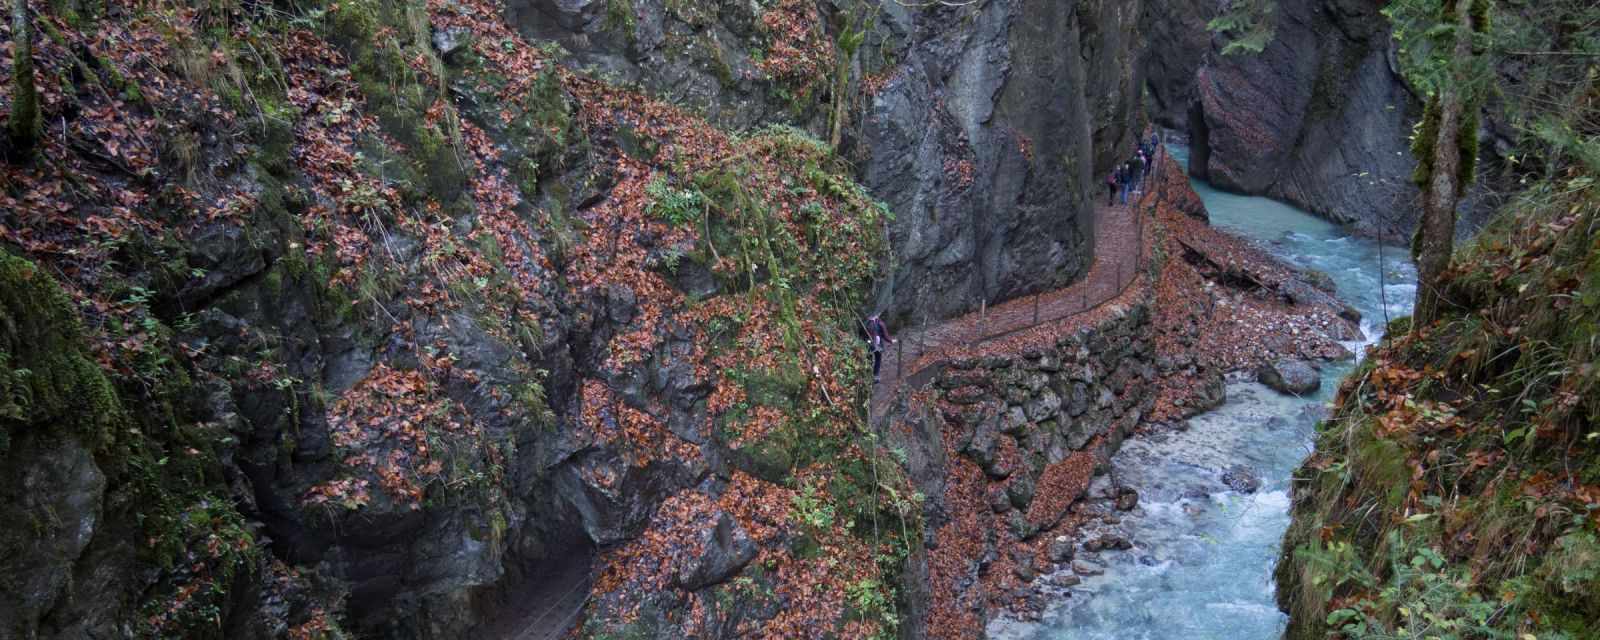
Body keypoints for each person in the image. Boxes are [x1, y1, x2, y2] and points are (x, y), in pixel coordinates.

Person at [864, 313, 895, 383]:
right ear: (877, 315)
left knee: (869, 359)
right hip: (878, 345)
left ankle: (867, 376)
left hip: (868, 345)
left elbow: (862, 334)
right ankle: (875, 376)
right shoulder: (880, 323)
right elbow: (885, 335)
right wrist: (891, 341)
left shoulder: (866, 323)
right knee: (878, 359)